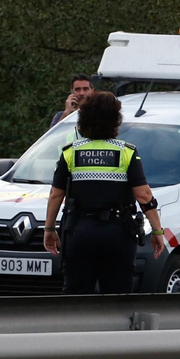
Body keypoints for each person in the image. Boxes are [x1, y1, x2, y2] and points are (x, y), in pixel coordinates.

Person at [43, 91, 168, 294]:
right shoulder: (127, 152)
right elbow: (144, 195)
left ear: (83, 121)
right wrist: (157, 231)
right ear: (115, 122)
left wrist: (49, 229)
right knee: (117, 296)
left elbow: (56, 195)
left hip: (79, 233)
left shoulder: (70, 152)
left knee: (76, 295)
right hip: (117, 235)